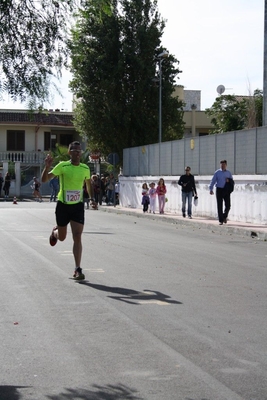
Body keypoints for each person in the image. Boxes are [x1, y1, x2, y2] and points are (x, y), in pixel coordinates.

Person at [41, 141, 97, 280]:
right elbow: (44, 179)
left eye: (79, 151)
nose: (77, 153)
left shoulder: (85, 168)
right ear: (69, 152)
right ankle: (55, 233)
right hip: (63, 205)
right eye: (74, 150)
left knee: (77, 236)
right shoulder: (63, 166)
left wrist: (91, 199)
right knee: (62, 237)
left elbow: (88, 184)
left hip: (77, 206)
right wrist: (46, 167)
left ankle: (77, 269)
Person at [209, 159, 234, 225]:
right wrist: (211, 189)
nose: (222, 166)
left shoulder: (228, 173)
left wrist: (229, 180)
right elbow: (213, 181)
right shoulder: (217, 172)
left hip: (226, 190)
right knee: (219, 205)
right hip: (219, 190)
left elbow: (232, 181)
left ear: (226, 165)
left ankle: (224, 216)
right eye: (221, 165)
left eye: (224, 165)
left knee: (228, 205)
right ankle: (221, 220)